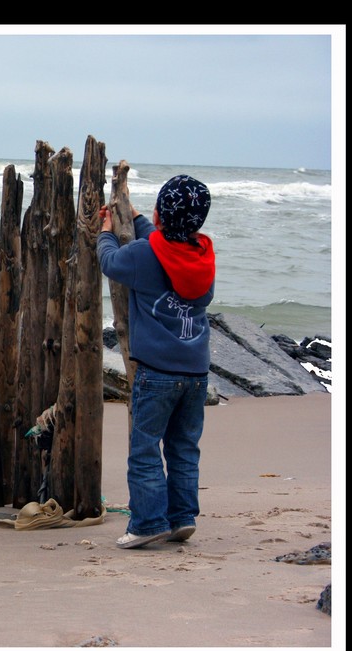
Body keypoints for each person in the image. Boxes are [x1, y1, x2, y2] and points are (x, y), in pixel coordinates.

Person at [97, 175, 216, 549]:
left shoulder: (143, 255)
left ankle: (148, 522)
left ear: (159, 214)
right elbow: (162, 243)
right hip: (196, 372)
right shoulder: (203, 257)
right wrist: (140, 220)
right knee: (183, 447)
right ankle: (182, 518)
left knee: (145, 448)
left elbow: (111, 262)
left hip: (157, 373)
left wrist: (105, 232)